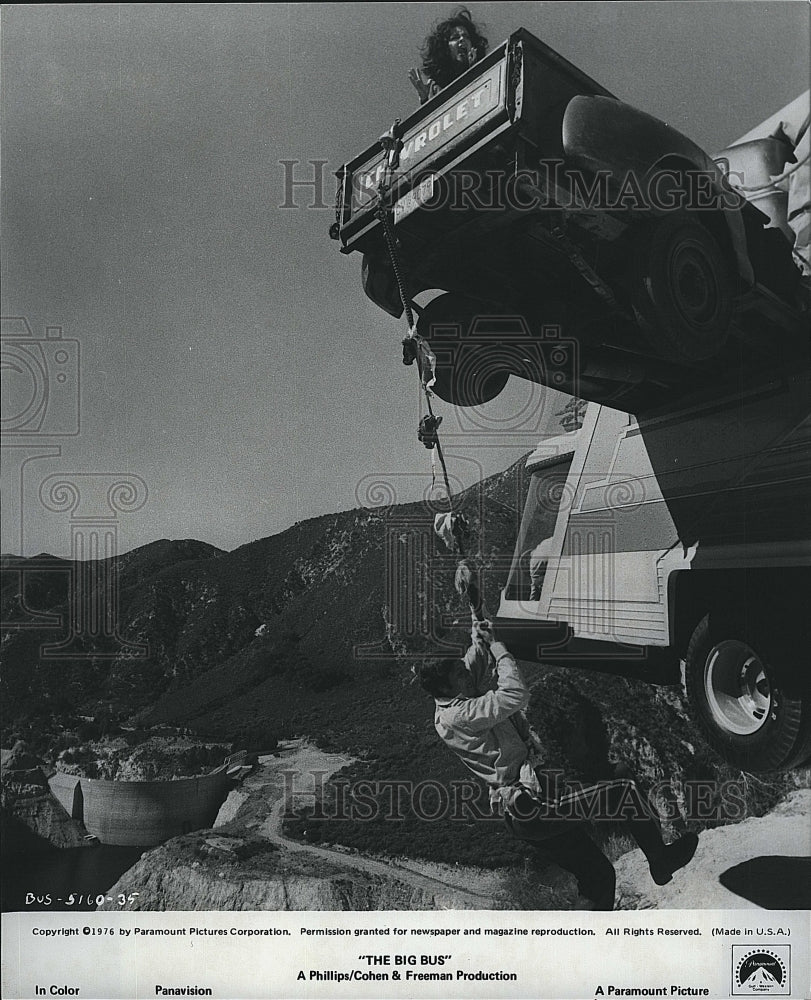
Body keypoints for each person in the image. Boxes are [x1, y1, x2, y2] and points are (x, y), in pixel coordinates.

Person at [418, 621, 699, 910]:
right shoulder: (460, 715)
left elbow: (474, 656)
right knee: (623, 790)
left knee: (599, 876)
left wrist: (477, 610)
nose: (467, 672)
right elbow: (515, 694)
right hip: (533, 805)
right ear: (445, 685)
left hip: (525, 810)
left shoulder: (453, 696)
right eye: (459, 673)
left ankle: (578, 945)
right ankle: (660, 861)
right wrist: (500, 651)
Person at [409, 7, 489, 105]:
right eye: (455, 37)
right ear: (445, 49)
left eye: (466, 37)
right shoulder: (438, 90)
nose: (462, 39)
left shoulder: (488, 74)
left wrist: (474, 73)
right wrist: (425, 100)